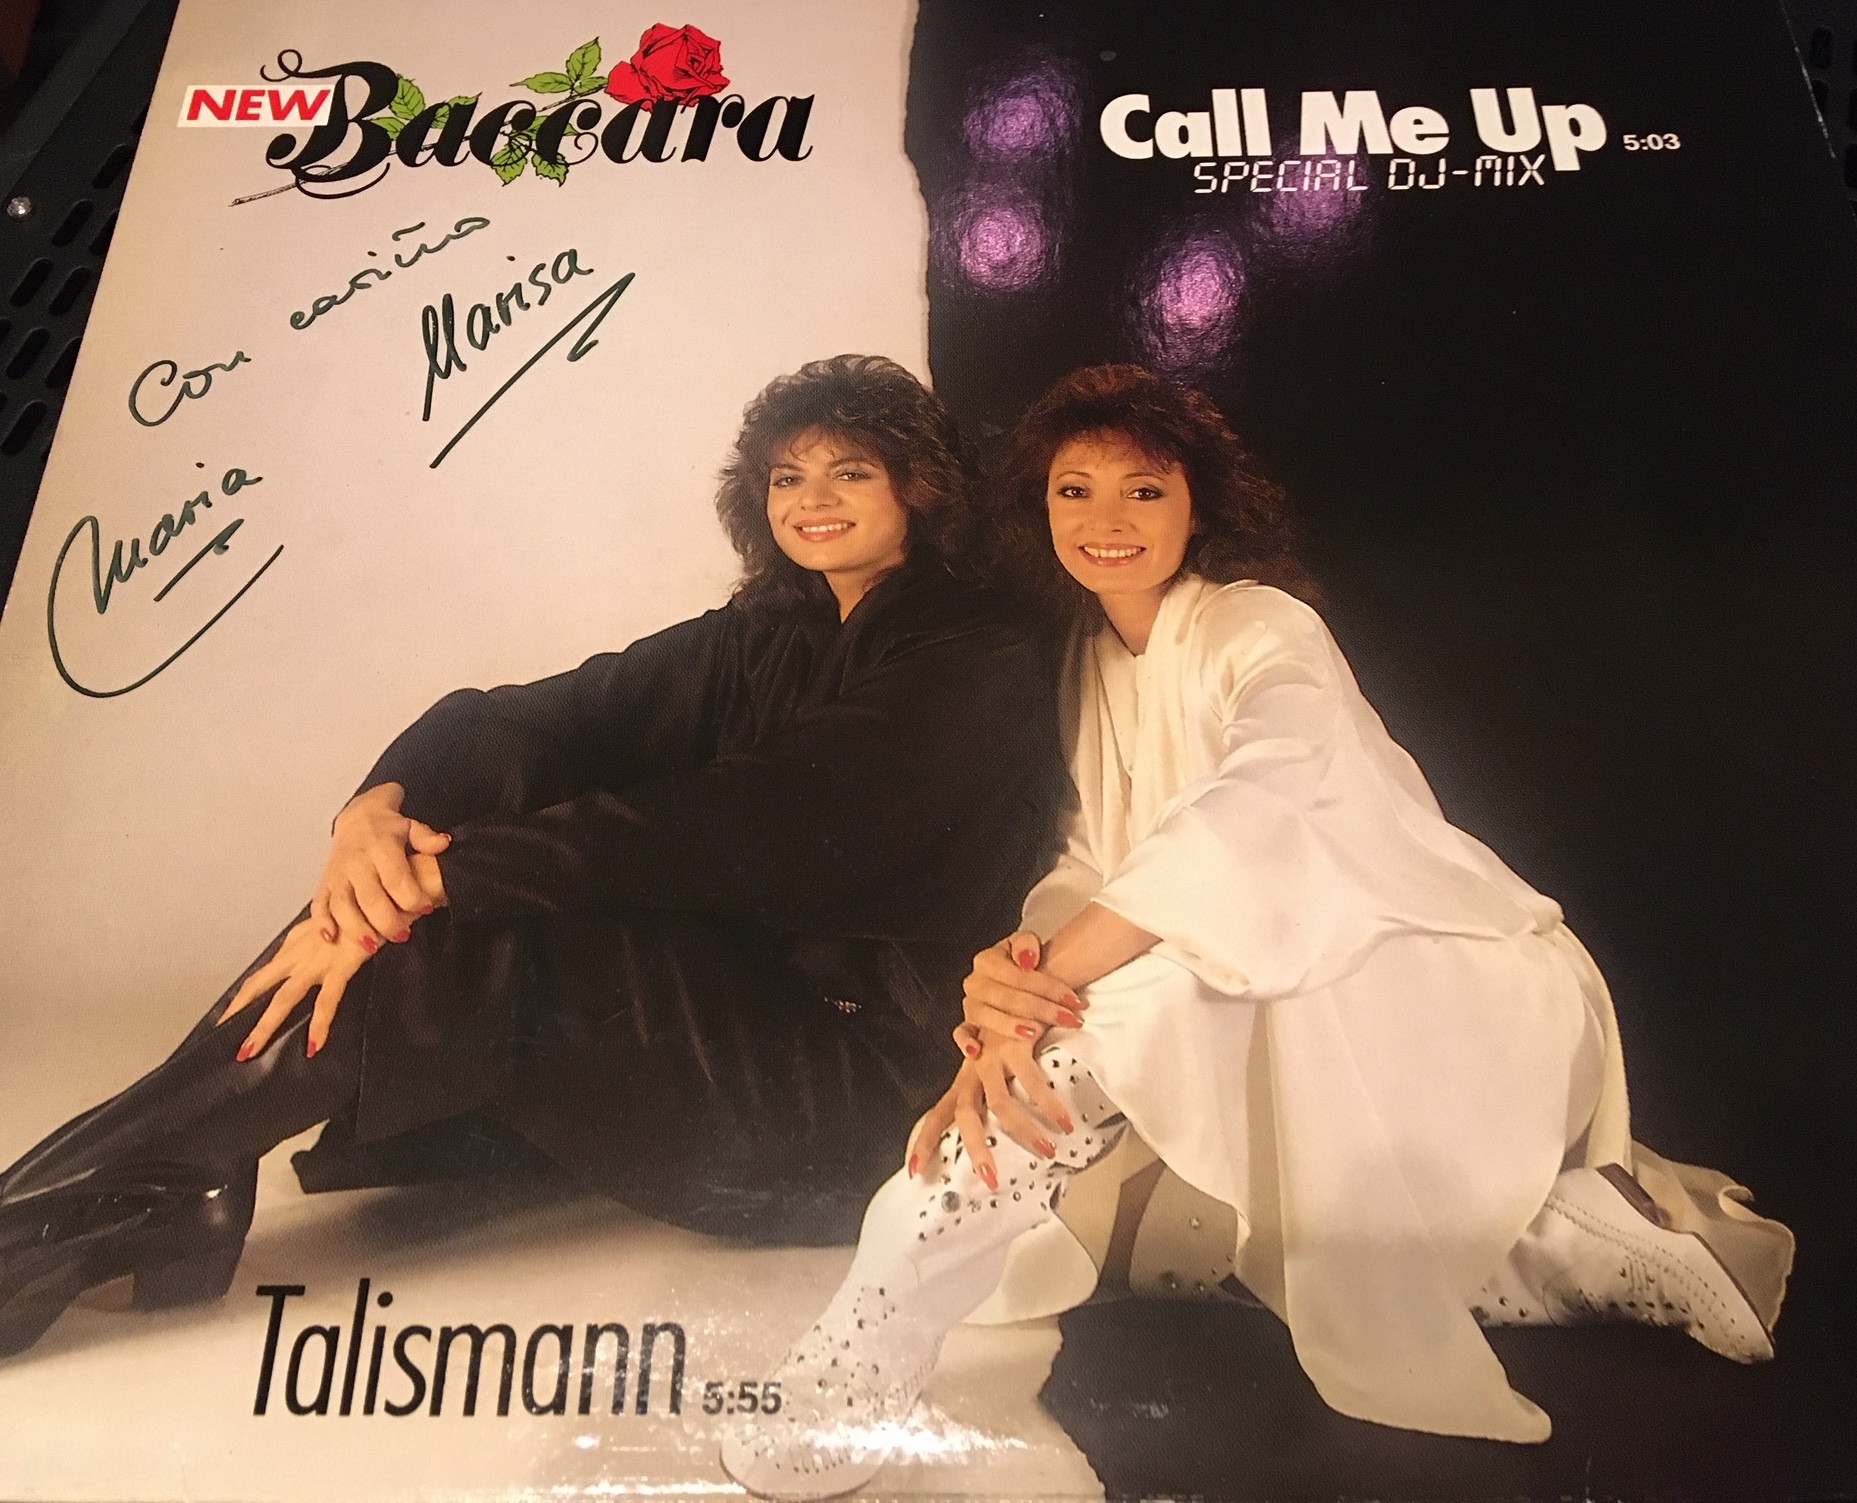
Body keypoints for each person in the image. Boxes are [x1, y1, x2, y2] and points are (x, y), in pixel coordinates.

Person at [720, 364, 1794, 1499]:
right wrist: (1015, 974)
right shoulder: (1087, 655)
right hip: (1238, 967)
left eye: (1143, 490)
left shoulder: (1262, 624)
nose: (1105, 519)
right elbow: (1087, 856)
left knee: (1056, 1081)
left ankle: (856, 1368)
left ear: (1200, 508)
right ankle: (1580, 1246)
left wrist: (1039, 1004)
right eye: (1074, 491)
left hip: (1418, 966)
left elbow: (1259, 805)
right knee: (1170, 1230)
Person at [0, 354, 1065, 1359]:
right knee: (455, 852)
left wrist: (443, 876)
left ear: (919, 488)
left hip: (869, 1106)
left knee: (464, 919)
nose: (811, 499)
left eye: (850, 472)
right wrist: (373, 815)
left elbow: (751, 817)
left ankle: (108, 1198)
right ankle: (124, 1189)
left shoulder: (978, 648)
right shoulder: (774, 629)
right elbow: (528, 719)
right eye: (788, 476)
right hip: (762, 1024)